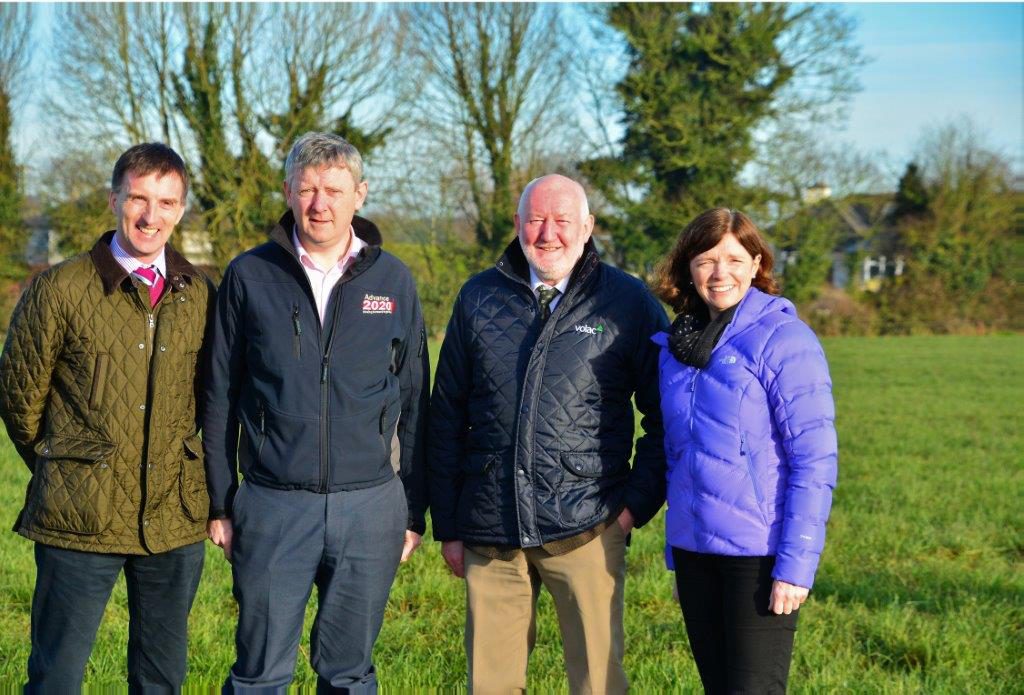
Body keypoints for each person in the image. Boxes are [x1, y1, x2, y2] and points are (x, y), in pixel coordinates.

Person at [202, 131, 428, 692]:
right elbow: (218, 396)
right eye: (306, 189)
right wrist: (219, 500)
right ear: (287, 192)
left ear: (360, 194)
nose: (319, 203)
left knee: (349, 674)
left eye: (333, 189)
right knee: (258, 674)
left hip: (370, 507)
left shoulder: (394, 280)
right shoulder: (249, 276)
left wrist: (411, 509)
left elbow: (417, 401)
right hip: (273, 505)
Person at [429, 174, 668, 694]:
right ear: (517, 225)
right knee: (489, 686)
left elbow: (665, 416)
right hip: (491, 531)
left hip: (588, 525)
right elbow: (445, 415)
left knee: (598, 684)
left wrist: (631, 510)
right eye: (536, 220)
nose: (548, 234)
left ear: (588, 227)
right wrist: (448, 525)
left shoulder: (627, 302)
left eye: (562, 221)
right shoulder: (477, 297)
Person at [0, 143, 214, 692]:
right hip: (79, 519)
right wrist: (69, 465)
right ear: (113, 197)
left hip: (172, 519)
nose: (151, 215)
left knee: (161, 679)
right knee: (57, 678)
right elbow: (21, 401)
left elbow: (214, 401)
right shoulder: (58, 288)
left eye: (166, 202)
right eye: (138, 198)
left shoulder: (203, 295)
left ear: (182, 208)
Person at [651, 208, 838, 694]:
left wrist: (795, 567)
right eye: (706, 259)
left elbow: (814, 462)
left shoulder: (784, 339)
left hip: (759, 557)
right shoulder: (677, 347)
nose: (719, 273)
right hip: (696, 555)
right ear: (687, 268)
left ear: (757, 264)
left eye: (734, 259)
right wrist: (678, 557)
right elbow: (678, 456)